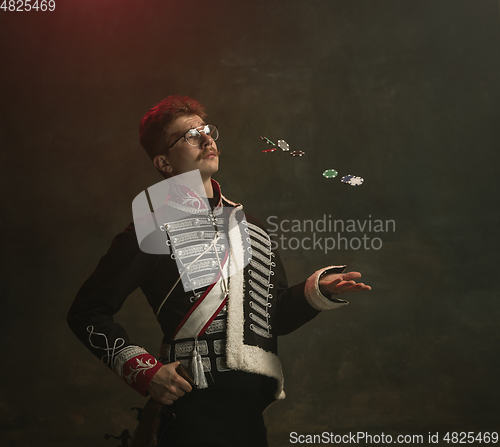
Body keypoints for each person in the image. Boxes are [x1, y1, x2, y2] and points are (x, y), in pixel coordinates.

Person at [67, 95, 371, 447]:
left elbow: (273, 320)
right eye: (189, 135)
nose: (207, 139)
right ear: (163, 162)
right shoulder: (150, 228)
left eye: (207, 130)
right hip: (191, 414)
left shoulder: (252, 227)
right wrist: (145, 372)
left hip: (250, 417)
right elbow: (87, 312)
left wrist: (319, 289)